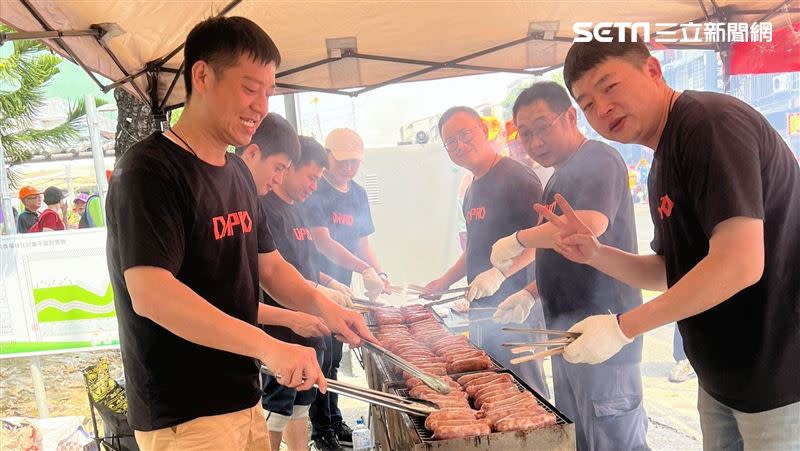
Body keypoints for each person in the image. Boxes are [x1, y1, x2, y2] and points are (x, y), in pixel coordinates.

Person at [105, 16, 375, 451]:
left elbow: (269, 265)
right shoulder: (149, 170)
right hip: (184, 414)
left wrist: (325, 308)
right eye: (250, 88)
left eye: (268, 92)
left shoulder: (236, 174)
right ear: (202, 75)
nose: (261, 106)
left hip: (242, 395)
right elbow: (152, 294)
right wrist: (270, 346)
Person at [539, 28, 799, 450]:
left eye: (610, 87)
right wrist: (596, 253)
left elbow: (740, 263)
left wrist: (624, 327)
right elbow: (669, 271)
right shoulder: (662, 159)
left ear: (653, 70)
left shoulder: (707, 123)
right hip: (723, 378)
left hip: (779, 377)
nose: (602, 108)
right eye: (587, 104)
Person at [490, 82, 648, 450]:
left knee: (613, 442)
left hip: (606, 336)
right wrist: (530, 293)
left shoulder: (598, 159)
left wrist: (519, 239)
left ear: (571, 117)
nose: (534, 142)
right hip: (566, 338)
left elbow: (587, 227)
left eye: (542, 127)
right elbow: (561, 252)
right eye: (525, 134)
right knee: (581, 441)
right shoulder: (559, 176)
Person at [421, 106, 550, 397]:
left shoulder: (519, 179)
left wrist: (500, 274)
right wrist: (445, 281)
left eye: (465, 134)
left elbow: (542, 242)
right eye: (450, 142)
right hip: (483, 313)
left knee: (527, 395)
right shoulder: (471, 190)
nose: (460, 145)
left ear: (483, 129)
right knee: (493, 392)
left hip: (518, 310)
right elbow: (474, 249)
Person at [304, 128, 389, 449]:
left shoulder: (358, 193)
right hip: (317, 286)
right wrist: (362, 267)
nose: (349, 168)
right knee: (320, 357)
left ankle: (334, 420)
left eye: (355, 162)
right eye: (343, 161)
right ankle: (321, 430)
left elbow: (362, 241)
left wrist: (377, 272)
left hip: (346, 288)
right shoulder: (315, 190)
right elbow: (322, 242)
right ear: (328, 155)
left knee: (335, 358)